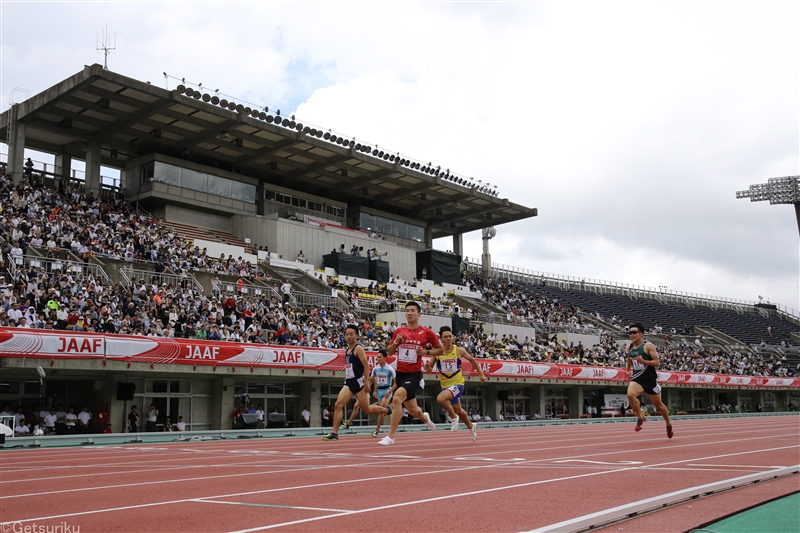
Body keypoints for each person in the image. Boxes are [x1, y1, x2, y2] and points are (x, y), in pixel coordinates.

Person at [378, 301, 443, 446]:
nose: (409, 313)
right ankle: (425, 418)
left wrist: (426, 352)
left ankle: (390, 436)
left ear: (419, 314)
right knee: (414, 411)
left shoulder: (426, 332)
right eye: (407, 310)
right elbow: (389, 352)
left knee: (397, 399)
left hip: (414, 375)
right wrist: (396, 343)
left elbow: (440, 350)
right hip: (400, 374)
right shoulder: (399, 331)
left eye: (412, 310)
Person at [322, 325, 391, 441]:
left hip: (359, 383)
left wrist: (366, 383)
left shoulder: (358, 348)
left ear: (356, 335)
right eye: (346, 334)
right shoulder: (347, 350)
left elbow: (366, 365)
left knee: (367, 410)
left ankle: (387, 410)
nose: (348, 337)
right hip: (349, 382)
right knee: (338, 405)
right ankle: (334, 433)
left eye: (351, 334)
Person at [424, 326, 485, 442]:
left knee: (441, 399)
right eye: (445, 337)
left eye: (450, 336)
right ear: (441, 339)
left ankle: (453, 417)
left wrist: (480, 374)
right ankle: (471, 427)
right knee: (458, 410)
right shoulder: (437, 352)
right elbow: (429, 367)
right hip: (445, 386)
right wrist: (427, 367)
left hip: (458, 384)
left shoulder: (458, 350)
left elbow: (472, 360)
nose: (448, 339)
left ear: (453, 337)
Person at [626, 322, 674, 439]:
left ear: (641, 334)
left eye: (634, 333)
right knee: (630, 395)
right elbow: (629, 358)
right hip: (638, 377)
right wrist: (628, 370)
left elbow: (657, 362)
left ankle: (668, 424)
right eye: (630, 333)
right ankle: (641, 417)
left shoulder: (648, 346)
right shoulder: (630, 347)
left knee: (659, 406)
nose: (631, 335)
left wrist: (644, 362)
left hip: (650, 379)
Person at [370, 349, 396, 437]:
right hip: (379, 391)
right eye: (377, 357)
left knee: (381, 410)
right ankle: (391, 408)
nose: (378, 359)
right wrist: (373, 391)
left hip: (387, 390)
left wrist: (390, 391)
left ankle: (376, 430)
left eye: (380, 357)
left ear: (385, 358)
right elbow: (371, 380)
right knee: (381, 411)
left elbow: (396, 383)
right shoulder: (375, 368)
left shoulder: (390, 369)